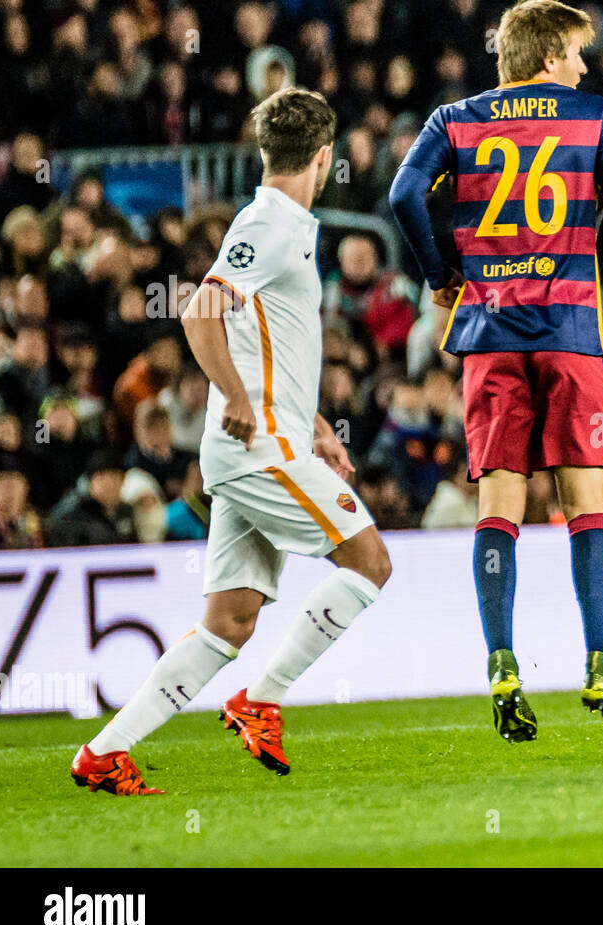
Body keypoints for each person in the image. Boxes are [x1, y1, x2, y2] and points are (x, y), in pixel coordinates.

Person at [71, 88, 392, 796]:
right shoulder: (269, 223)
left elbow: (263, 339)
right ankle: (260, 700)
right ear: (324, 157)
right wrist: (243, 400)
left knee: (229, 622)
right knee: (369, 562)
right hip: (257, 447)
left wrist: (310, 425)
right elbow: (199, 311)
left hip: (273, 438)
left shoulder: (284, 225)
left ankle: (103, 751)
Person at [389, 0, 603, 741]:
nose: (585, 66)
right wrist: (585, 252)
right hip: (568, 329)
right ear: (547, 57)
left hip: (490, 331)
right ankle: (600, 663)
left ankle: (501, 660)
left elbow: (405, 194)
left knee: (499, 507)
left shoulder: (454, 119)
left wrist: (442, 274)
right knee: (586, 504)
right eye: (576, 51)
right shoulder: (593, 115)